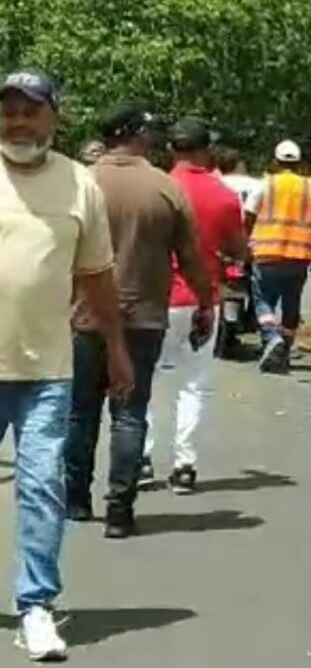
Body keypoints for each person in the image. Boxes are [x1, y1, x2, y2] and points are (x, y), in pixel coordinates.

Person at [0, 69, 133, 661]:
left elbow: (97, 277)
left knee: (42, 488)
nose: (18, 121)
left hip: (44, 372)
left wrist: (117, 347)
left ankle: (35, 608)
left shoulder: (80, 185)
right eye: (8, 110)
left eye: (31, 110)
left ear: (55, 116)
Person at [66, 103, 213, 539]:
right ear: (134, 134)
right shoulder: (165, 188)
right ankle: (119, 511)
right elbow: (190, 257)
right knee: (131, 414)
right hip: (145, 316)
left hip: (85, 315)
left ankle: (75, 500)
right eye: (147, 131)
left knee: (81, 411)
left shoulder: (81, 183)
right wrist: (205, 302)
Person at [142, 118, 247, 494]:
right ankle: (184, 465)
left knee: (145, 380)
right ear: (207, 150)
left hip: (154, 299)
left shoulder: (156, 188)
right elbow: (238, 249)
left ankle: (141, 457)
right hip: (202, 302)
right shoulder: (222, 194)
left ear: (172, 150)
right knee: (193, 384)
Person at [246, 139, 311, 373]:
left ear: (276, 161)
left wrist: (247, 241)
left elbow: (248, 214)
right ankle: (284, 351)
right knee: (292, 304)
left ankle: (272, 338)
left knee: (263, 301)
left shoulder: (265, 185)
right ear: (299, 163)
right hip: (299, 256)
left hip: (267, 253)